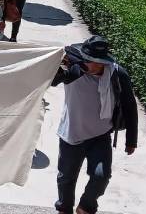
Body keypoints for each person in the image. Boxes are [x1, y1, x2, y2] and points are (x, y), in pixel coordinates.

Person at [52, 36, 138, 214]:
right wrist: (57, 65)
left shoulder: (116, 74)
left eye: (96, 61)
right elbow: (52, 81)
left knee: (101, 176)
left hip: (100, 136)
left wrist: (131, 140)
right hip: (71, 134)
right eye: (88, 59)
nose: (91, 64)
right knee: (66, 177)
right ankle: (64, 208)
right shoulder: (73, 69)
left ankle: (85, 207)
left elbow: (130, 106)